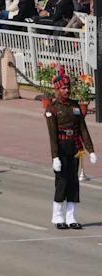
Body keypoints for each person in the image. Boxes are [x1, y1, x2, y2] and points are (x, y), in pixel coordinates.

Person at [46, 67, 97, 229]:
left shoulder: (75, 106)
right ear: (57, 89)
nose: (66, 90)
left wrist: (91, 150)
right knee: (62, 181)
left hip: (74, 146)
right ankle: (57, 217)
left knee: (74, 182)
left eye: (67, 87)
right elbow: (52, 135)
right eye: (63, 88)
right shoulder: (52, 108)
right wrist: (54, 156)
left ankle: (71, 217)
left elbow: (82, 128)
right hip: (61, 146)